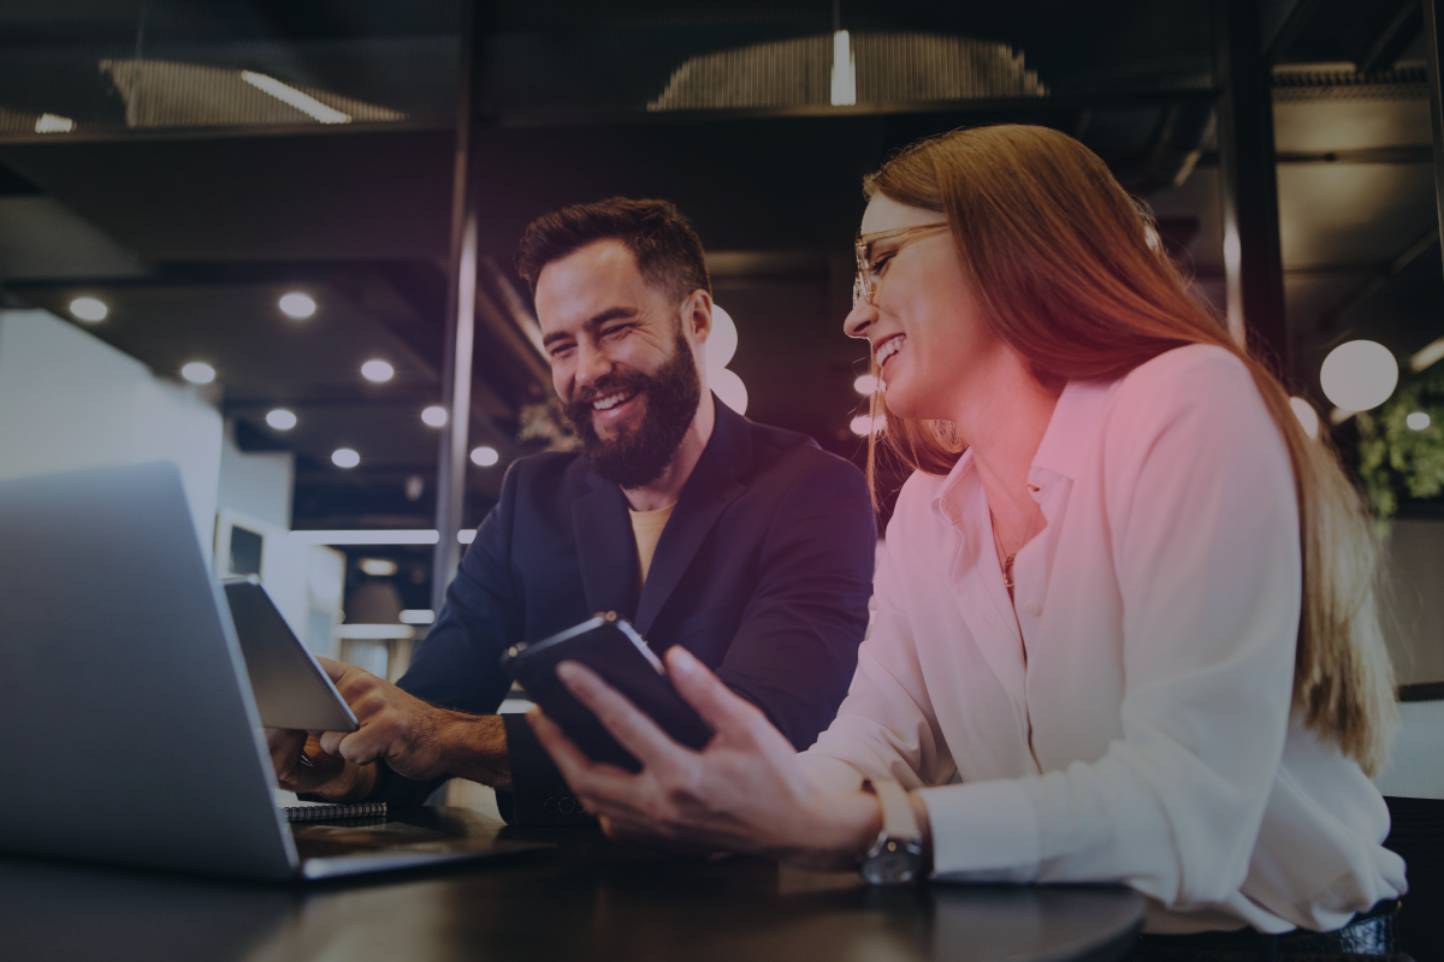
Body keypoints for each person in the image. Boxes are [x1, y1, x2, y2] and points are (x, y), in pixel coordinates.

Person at [530, 126, 1409, 949]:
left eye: (877, 263)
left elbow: (1191, 815)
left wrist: (863, 825)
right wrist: (735, 802)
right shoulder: (928, 514)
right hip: (1074, 940)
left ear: (1012, 242)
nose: (855, 318)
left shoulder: (1185, 402)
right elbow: (873, 745)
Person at [267, 197, 876, 824]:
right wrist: (354, 763)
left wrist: (447, 736)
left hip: (743, 893)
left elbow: (753, 731)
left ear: (696, 320)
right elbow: (427, 709)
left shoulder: (813, 492)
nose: (587, 371)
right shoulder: (531, 499)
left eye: (614, 330)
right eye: (561, 346)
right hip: (538, 895)